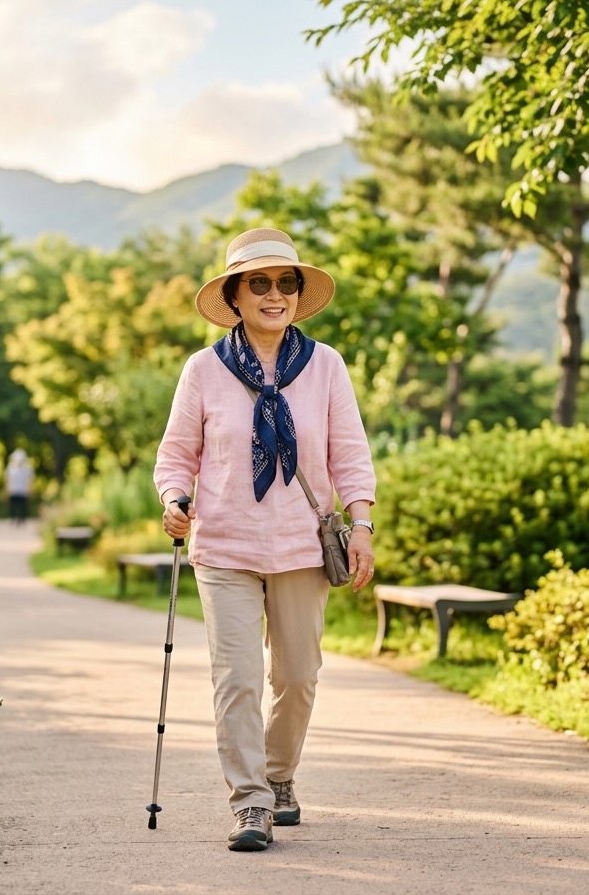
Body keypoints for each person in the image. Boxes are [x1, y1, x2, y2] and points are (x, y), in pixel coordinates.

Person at [154, 227, 376, 852]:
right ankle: (250, 802)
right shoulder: (202, 370)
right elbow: (175, 458)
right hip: (224, 546)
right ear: (235, 294)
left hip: (303, 547)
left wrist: (361, 523)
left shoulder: (326, 365)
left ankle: (279, 777)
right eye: (260, 283)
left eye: (286, 283)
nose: (274, 294)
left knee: (298, 676)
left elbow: (350, 455)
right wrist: (173, 502)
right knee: (239, 679)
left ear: (298, 294)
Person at [4, 448, 34, 525]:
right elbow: (8, 480)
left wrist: (29, 489)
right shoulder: (10, 467)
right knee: (13, 506)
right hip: (13, 490)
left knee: (22, 506)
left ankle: (22, 519)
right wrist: (7, 490)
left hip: (23, 490)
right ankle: (13, 518)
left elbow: (29, 480)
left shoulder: (27, 468)